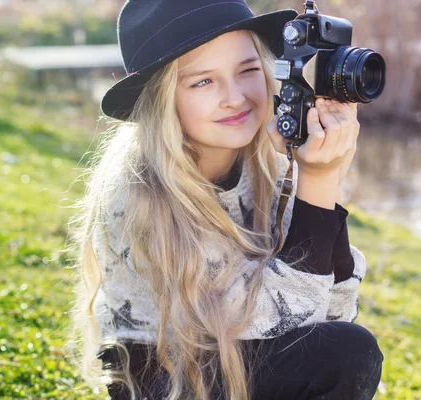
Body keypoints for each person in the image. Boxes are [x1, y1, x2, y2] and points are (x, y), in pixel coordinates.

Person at [66, 1, 383, 399]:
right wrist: (318, 182)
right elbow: (281, 317)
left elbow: (332, 313)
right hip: (166, 379)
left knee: (348, 346)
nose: (235, 97)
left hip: (239, 358)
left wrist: (323, 176)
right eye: (203, 81)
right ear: (163, 99)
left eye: (247, 70)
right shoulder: (138, 194)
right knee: (347, 353)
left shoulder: (267, 164)